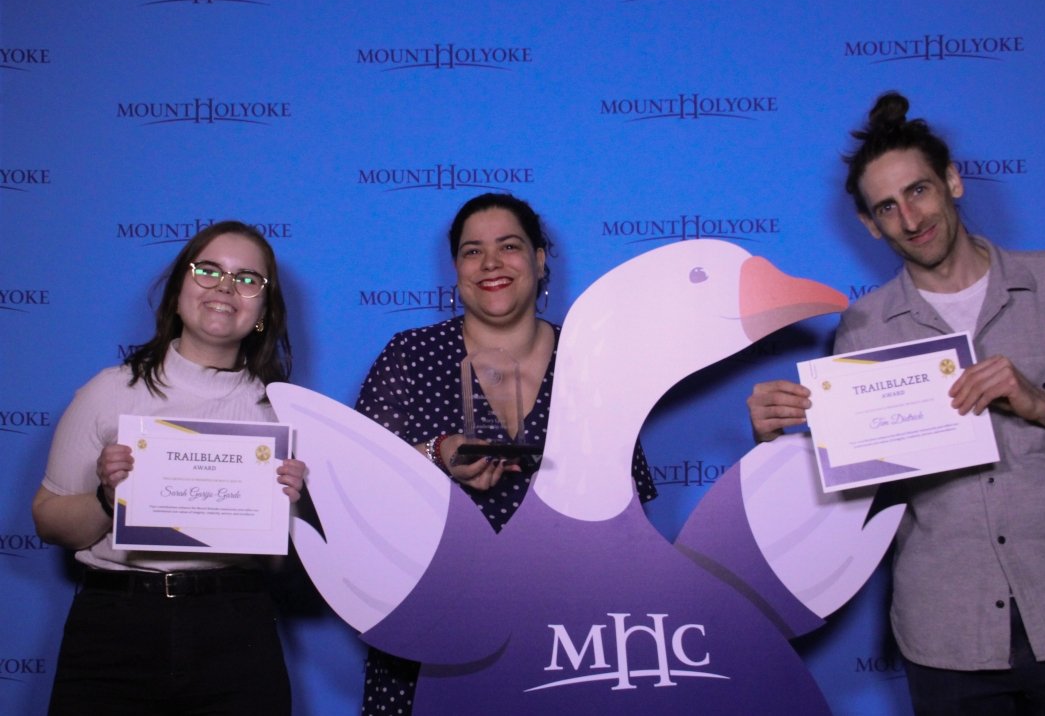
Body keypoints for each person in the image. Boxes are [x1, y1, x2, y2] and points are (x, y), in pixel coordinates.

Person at [748, 92, 1045, 715]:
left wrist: (1042, 405)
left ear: (952, 181)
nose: (910, 219)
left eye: (919, 191)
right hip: (949, 642)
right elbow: (851, 503)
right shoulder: (864, 330)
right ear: (870, 224)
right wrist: (773, 443)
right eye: (887, 207)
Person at [355, 192, 657, 715]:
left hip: (570, 636)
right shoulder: (410, 356)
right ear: (456, 269)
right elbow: (357, 486)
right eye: (473, 251)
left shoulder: (592, 365)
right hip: (435, 626)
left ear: (541, 260)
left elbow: (633, 518)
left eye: (510, 246)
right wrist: (435, 453)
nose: (491, 263)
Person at [32, 220, 306, 716]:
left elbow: (285, 565)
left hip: (234, 626)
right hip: (114, 626)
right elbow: (48, 521)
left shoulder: (281, 415)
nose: (225, 287)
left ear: (263, 310)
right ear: (180, 287)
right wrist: (105, 498)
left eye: (248, 279)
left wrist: (290, 515)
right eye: (208, 271)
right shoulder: (109, 390)